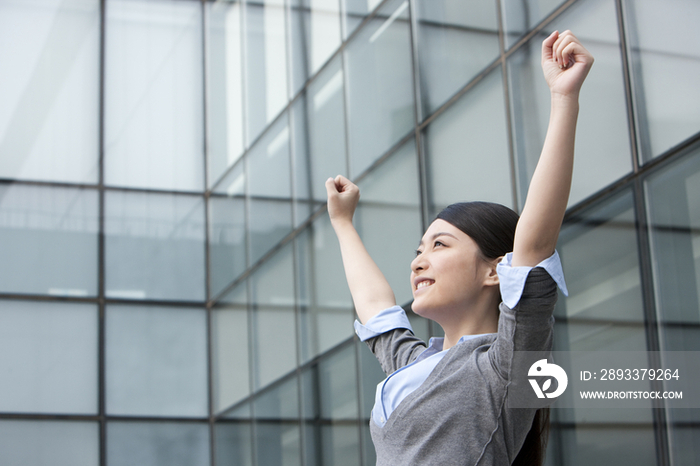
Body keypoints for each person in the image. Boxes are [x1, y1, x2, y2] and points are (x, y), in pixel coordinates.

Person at [324, 30, 593, 466]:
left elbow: (535, 240)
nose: (418, 261)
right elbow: (375, 307)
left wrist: (564, 99)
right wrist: (342, 222)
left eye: (439, 245)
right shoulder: (411, 365)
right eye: (418, 250)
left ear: (496, 270)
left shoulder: (505, 368)